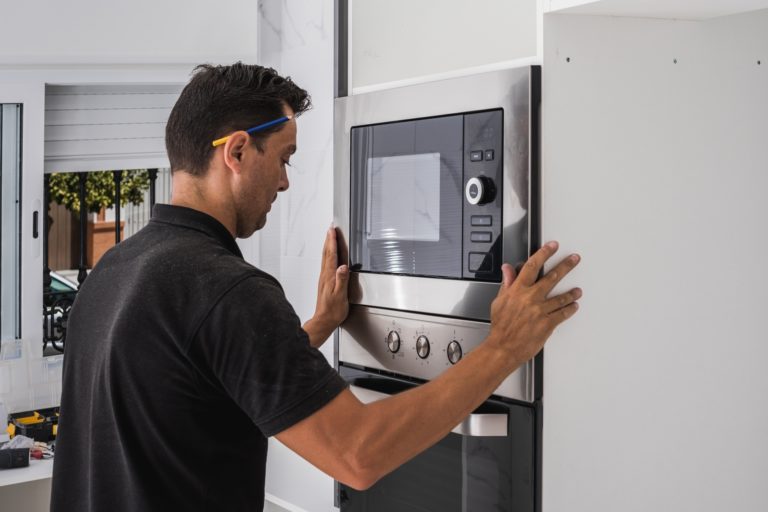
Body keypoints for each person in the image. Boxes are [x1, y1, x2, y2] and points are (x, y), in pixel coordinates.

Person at [50, 63, 582, 511]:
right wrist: (506, 345)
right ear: (236, 153)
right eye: (283, 158)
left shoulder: (115, 270)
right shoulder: (228, 290)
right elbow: (358, 455)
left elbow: (209, 380)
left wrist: (322, 324)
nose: (285, 181)